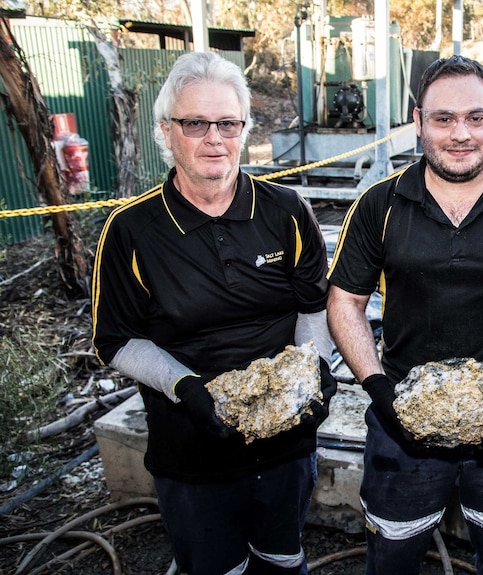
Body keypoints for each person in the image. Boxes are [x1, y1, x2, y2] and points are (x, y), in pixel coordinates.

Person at [326, 55, 483, 575]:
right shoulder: (379, 205)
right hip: (403, 425)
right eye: (443, 119)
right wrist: (379, 389)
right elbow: (344, 303)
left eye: (476, 117)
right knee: (393, 553)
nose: (460, 133)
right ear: (418, 121)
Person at [91, 51, 335, 575]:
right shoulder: (132, 230)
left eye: (228, 122)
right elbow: (116, 340)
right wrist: (186, 388)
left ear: (244, 128)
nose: (214, 138)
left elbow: (313, 306)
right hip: (191, 446)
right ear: (166, 131)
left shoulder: (286, 211)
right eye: (195, 123)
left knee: (282, 558)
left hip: (284, 444)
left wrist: (312, 371)